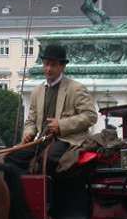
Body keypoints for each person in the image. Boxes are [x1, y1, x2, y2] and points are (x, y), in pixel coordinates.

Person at [8, 43, 98, 176]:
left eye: (53, 65)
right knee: (13, 157)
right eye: (46, 64)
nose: (48, 69)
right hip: (42, 140)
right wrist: (28, 133)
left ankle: (49, 195)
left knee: (47, 159)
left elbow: (90, 116)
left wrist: (61, 125)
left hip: (68, 140)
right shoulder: (37, 91)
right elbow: (31, 121)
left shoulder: (76, 88)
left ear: (62, 66)